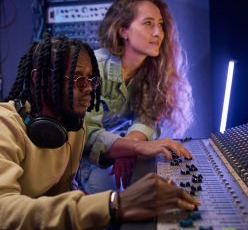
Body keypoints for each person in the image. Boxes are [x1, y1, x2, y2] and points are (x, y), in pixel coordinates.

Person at [0, 33, 200, 229]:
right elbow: (4, 212)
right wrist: (113, 204)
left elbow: (62, 198)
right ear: (40, 78)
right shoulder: (5, 125)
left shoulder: (73, 127)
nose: (88, 89)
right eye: (78, 79)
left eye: (91, 80)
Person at [77, 0, 194, 193]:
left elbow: (146, 119)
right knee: (117, 197)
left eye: (160, 24)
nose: (158, 33)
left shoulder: (153, 72)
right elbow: (87, 134)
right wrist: (133, 148)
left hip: (121, 148)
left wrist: (128, 148)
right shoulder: (95, 67)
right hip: (85, 160)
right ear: (123, 31)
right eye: (148, 23)